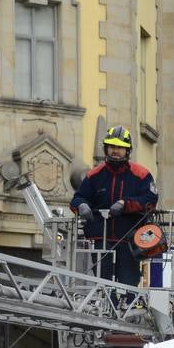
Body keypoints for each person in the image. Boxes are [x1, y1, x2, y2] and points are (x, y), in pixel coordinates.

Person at [71, 125, 158, 292]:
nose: (115, 151)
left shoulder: (141, 175)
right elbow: (78, 198)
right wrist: (81, 205)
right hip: (100, 242)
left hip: (129, 241)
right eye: (112, 147)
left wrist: (125, 204)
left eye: (120, 147)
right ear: (106, 148)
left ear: (127, 150)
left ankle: (128, 316)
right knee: (102, 287)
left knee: (128, 285)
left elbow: (150, 200)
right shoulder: (94, 175)